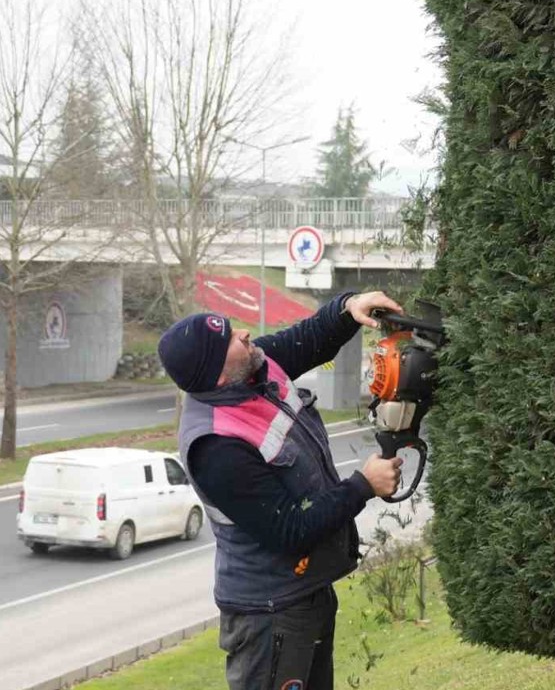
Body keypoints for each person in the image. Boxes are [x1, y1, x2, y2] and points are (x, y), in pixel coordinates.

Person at [157, 290, 406, 690]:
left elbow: (305, 340)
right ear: (218, 376)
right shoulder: (216, 446)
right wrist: (363, 485)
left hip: (306, 594)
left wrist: (346, 309)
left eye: (231, 327)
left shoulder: (255, 367)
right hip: (269, 614)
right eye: (229, 341)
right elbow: (289, 531)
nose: (243, 333)